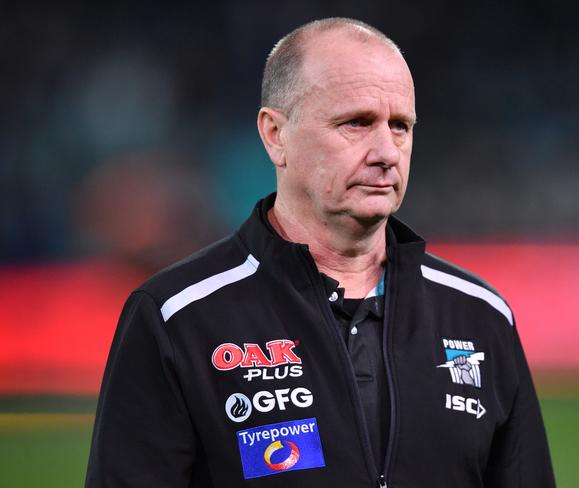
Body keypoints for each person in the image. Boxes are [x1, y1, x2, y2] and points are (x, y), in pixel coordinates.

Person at [86, 18, 555, 487]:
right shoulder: (176, 318)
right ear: (276, 135)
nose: (387, 151)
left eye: (400, 126)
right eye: (356, 122)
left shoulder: (480, 316)